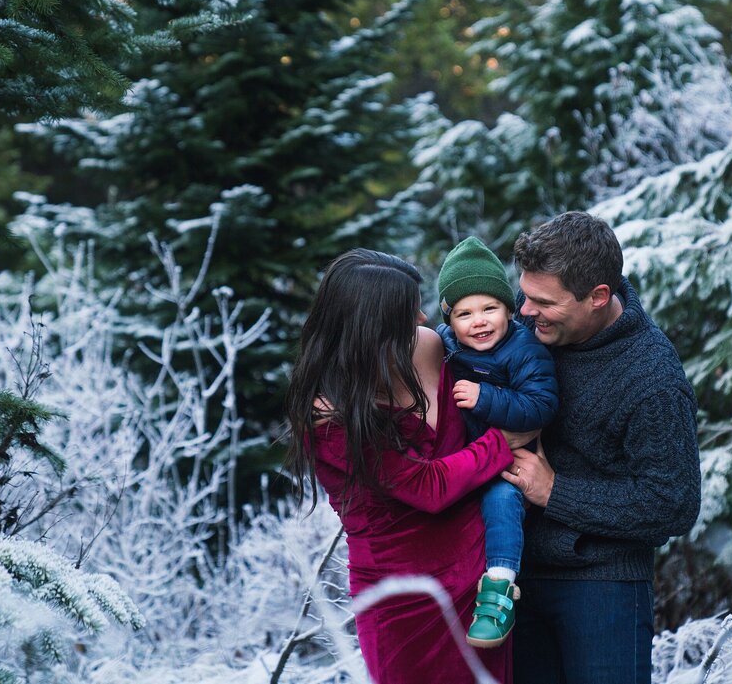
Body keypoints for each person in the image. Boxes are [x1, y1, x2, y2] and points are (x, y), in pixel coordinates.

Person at [286, 249, 536, 684]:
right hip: (403, 602)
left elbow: (508, 355)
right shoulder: (327, 415)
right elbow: (427, 487)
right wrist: (504, 441)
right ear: (369, 329)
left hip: (481, 587)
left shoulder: (431, 347)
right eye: (406, 314)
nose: (422, 319)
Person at [502, 211, 701, 684]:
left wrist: (555, 492)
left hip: (602, 584)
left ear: (598, 298)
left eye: (542, 302)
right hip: (512, 572)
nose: (524, 311)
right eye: (523, 295)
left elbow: (673, 504)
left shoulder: (652, 380)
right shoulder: (531, 319)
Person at [434, 236, 558, 648]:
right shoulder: (444, 346)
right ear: (449, 321)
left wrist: (486, 396)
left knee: (501, 500)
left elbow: (541, 405)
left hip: (505, 462)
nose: (479, 321)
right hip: (463, 459)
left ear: (509, 309)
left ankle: (501, 588)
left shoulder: (524, 349)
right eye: (465, 313)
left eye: (490, 308)